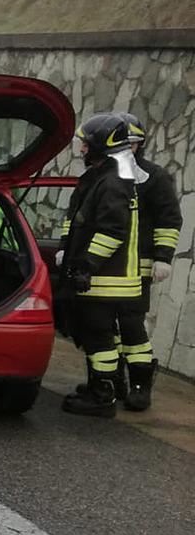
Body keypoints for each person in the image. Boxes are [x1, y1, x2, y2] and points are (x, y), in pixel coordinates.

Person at [57, 112, 143, 418]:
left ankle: (102, 395)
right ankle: (100, 385)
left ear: (101, 146)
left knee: (98, 337)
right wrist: (66, 251)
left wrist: (87, 265)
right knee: (94, 335)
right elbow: (77, 220)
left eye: (85, 144)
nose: (81, 149)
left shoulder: (112, 182)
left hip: (105, 280)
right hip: (96, 277)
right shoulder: (101, 177)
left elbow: (112, 230)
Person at [115, 112, 183, 411]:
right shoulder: (104, 174)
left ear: (138, 145)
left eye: (130, 143)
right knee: (103, 325)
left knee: (131, 324)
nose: (124, 148)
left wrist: (163, 258)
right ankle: (111, 382)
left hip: (138, 266)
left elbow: (169, 220)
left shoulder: (154, 177)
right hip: (105, 265)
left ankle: (140, 383)